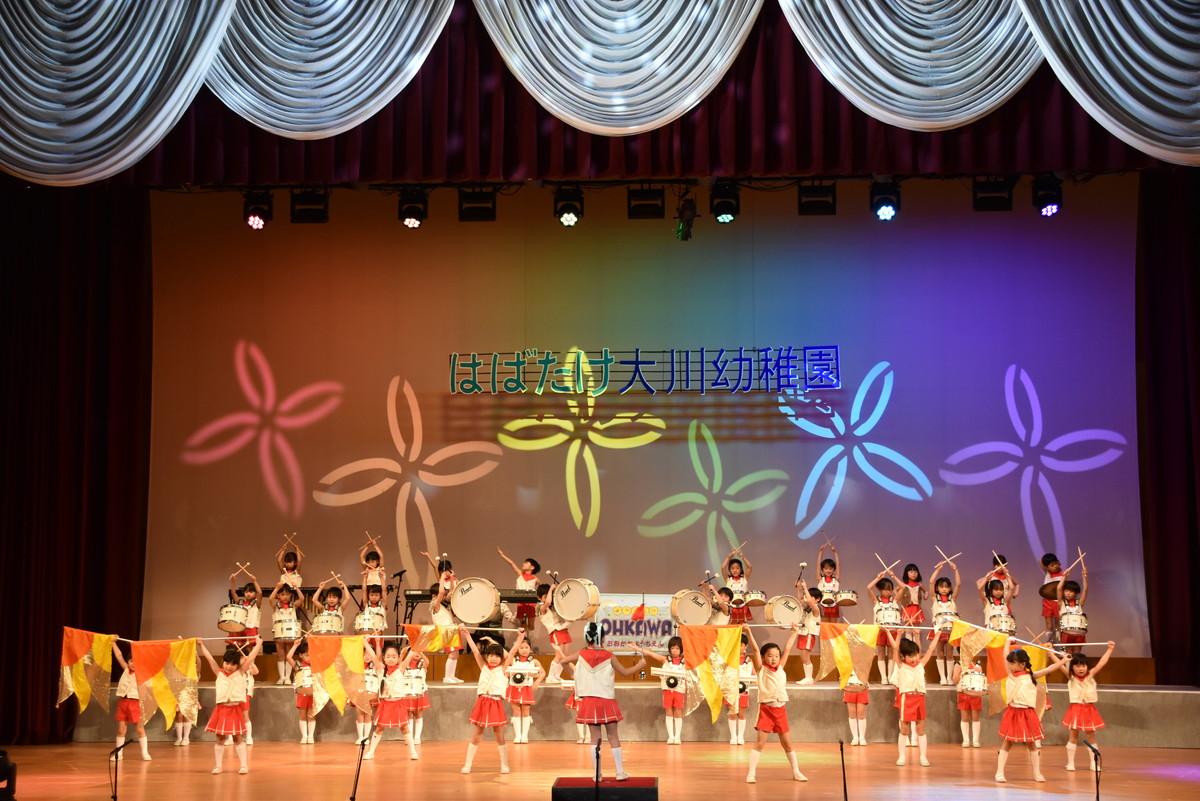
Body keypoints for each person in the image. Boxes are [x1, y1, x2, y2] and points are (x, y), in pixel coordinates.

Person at [554, 622, 647, 781]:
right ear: (602, 638)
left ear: (586, 638)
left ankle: (597, 774)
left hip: (589, 701)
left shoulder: (581, 654)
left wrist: (575, 676)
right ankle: (620, 772)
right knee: (613, 736)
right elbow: (625, 672)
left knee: (594, 738)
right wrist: (640, 665)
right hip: (606, 700)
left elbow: (562, 662)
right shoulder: (609, 655)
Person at [995, 640, 1068, 783]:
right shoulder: (1010, 675)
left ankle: (1037, 772)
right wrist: (1007, 642)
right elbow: (1004, 656)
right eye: (1010, 663)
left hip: (1028, 714)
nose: (1010, 665)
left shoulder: (1031, 675)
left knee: (1032, 744)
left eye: (1013, 663)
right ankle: (999, 772)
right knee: (1008, 742)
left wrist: (1063, 661)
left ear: (1022, 664)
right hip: (1013, 712)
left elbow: (1049, 669)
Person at [744, 624, 807, 783]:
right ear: (764, 657)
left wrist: (795, 632)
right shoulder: (761, 669)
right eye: (770, 656)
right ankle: (751, 773)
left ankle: (796, 772)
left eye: (776, 656)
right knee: (760, 743)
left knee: (787, 744)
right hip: (766, 710)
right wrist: (749, 632)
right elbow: (755, 650)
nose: (774, 659)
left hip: (780, 710)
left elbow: (787, 649)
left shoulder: (780, 667)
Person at [459, 626, 523, 774]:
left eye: (496, 656)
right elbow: (476, 652)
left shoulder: (503, 669)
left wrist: (520, 638)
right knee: (476, 736)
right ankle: (468, 764)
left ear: (501, 658)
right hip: (482, 703)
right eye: (490, 655)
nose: (493, 658)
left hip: (495, 704)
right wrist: (467, 636)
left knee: (499, 735)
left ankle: (504, 764)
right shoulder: (483, 667)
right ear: (487, 656)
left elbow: (512, 653)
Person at [198, 636, 262, 775]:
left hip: (235, 709)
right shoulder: (218, 673)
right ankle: (218, 766)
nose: (228, 666)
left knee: (237, 738)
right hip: (221, 710)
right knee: (220, 738)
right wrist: (201, 645)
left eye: (233, 664)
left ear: (238, 665)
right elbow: (210, 659)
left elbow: (250, 658)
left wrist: (258, 644)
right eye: (226, 663)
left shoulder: (240, 672)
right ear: (223, 661)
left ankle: (243, 765)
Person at [1058, 641, 1115, 771]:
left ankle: (1093, 763)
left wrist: (1110, 649)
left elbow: (1102, 663)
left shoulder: (1091, 675)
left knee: (1091, 737)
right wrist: (1050, 653)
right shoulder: (1070, 677)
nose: (1081, 669)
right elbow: (1059, 665)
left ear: (1087, 667)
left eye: (1083, 666)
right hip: (1075, 709)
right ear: (1072, 667)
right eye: (1077, 666)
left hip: (1089, 709)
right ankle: (1070, 763)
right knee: (1073, 736)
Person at [884, 628, 937, 767]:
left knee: (921, 730)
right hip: (906, 699)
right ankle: (902, 756)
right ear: (903, 656)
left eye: (915, 655)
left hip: (919, 698)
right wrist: (896, 634)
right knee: (904, 729)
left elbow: (931, 649)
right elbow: (895, 648)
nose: (914, 658)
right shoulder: (901, 665)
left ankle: (923, 757)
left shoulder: (921, 664)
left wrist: (938, 633)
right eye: (911, 656)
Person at [364, 640, 419, 760]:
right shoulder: (380, 668)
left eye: (394, 657)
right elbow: (372, 655)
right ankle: (371, 752)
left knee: (404, 727)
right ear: (384, 658)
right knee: (379, 728)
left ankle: (413, 751)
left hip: (398, 703)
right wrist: (365, 642)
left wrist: (415, 640)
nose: (391, 659)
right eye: (388, 656)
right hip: (386, 704)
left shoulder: (401, 668)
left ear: (398, 658)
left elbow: (411, 653)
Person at [632, 636, 688, 744]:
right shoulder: (665, 659)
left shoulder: (685, 661)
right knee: (668, 711)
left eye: (677, 648)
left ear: (681, 649)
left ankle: (677, 737)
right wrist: (638, 649)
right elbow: (651, 654)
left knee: (678, 711)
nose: (674, 651)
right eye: (672, 648)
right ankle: (671, 736)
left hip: (679, 690)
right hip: (667, 690)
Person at [109, 642, 152, 761]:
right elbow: (119, 656)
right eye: (131, 661)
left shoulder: (143, 674)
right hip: (124, 702)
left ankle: (145, 753)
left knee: (139, 729)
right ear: (128, 662)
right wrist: (113, 643)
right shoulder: (126, 669)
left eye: (136, 661)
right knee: (121, 730)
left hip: (136, 703)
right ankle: (119, 754)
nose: (133, 664)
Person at [505, 634, 545, 743]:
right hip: (514, 687)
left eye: (526, 647)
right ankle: (517, 736)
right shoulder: (513, 660)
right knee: (516, 711)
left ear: (530, 649)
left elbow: (542, 673)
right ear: (517, 649)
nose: (524, 650)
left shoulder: (534, 661)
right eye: (521, 647)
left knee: (526, 710)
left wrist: (537, 682)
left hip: (526, 688)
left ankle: (525, 736)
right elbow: (505, 665)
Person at [927, 560, 960, 685]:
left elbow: (958, 584)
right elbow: (931, 582)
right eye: (941, 586)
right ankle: (942, 678)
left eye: (947, 587)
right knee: (940, 653)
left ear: (950, 588)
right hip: (939, 628)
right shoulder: (935, 598)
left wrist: (955, 570)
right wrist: (938, 569)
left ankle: (950, 678)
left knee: (950, 653)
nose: (944, 589)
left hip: (951, 628)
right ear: (937, 588)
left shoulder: (953, 599)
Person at [868, 569, 902, 684]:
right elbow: (868, 588)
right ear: (879, 589)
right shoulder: (876, 601)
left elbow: (903, 588)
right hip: (881, 631)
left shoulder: (895, 600)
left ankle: (891, 677)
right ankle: (884, 678)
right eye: (886, 589)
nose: (888, 592)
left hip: (892, 631)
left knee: (892, 654)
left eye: (890, 589)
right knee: (881, 653)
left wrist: (893, 576)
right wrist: (878, 578)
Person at [497, 547, 541, 634]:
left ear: (532, 567)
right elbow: (511, 563)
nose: (523, 564)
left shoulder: (535, 579)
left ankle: (530, 641)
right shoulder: (520, 574)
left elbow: (542, 587)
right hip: (520, 602)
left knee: (531, 625)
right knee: (522, 625)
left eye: (526, 563)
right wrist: (502, 555)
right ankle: (523, 640)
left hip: (531, 603)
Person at [269, 581, 304, 684]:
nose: (285, 597)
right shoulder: (276, 605)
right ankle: (282, 677)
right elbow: (270, 599)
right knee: (281, 655)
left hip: (290, 634)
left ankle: (288, 677)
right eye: (282, 594)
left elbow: (301, 599)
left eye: (287, 594)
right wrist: (276, 588)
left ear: (291, 595)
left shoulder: (293, 605)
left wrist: (296, 587)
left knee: (289, 655)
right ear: (278, 595)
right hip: (279, 634)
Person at [430, 576, 463, 683]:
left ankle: (452, 676)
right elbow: (441, 592)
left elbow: (451, 592)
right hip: (446, 631)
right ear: (434, 596)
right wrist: (442, 578)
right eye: (443, 595)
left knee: (456, 654)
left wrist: (452, 578)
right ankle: (447, 677)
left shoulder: (444, 606)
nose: (444, 596)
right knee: (452, 654)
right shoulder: (435, 605)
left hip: (452, 630)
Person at [537, 581, 571, 685]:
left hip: (563, 629)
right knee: (559, 655)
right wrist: (551, 588)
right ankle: (550, 677)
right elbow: (547, 602)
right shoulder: (541, 607)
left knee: (565, 655)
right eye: (545, 596)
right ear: (539, 598)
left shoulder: (554, 607)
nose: (549, 598)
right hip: (555, 631)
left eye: (549, 595)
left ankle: (556, 676)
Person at [725, 633, 754, 745]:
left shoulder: (748, 660)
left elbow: (754, 675)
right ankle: (733, 736)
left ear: (745, 646)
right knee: (732, 713)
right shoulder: (728, 659)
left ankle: (741, 737)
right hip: (730, 691)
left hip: (743, 691)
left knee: (741, 713)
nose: (738, 647)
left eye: (741, 645)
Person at [286, 639, 316, 743]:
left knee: (311, 715)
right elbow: (288, 657)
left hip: (313, 694)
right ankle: (304, 736)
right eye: (307, 655)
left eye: (311, 655)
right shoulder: (298, 665)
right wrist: (295, 645)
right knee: (302, 715)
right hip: (302, 694)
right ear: (301, 655)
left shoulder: (316, 666)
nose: (309, 658)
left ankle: (311, 736)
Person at [793, 579, 823, 684]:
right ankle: (808, 678)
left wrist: (805, 587)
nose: (807, 598)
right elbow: (801, 599)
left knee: (806, 657)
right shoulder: (807, 607)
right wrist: (799, 587)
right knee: (802, 657)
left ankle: (809, 678)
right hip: (802, 633)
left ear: (818, 599)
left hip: (809, 634)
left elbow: (809, 601)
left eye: (810, 596)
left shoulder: (816, 609)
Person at [952, 657, 985, 748]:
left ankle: (975, 740)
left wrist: (979, 672)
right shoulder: (958, 664)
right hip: (963, 693)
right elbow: (955, 680)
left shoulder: (977, 665)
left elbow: (981, 679)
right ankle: (966, 740)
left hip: (975, 694)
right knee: (964, 717)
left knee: (975, 717)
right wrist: (958, 672)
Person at [1056, 568, 1090, 654]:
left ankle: (1076, 663)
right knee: (1068, 653)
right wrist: (1064, 577)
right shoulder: (1061, 603)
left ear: (1076, 593)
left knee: (1077, 652)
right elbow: (1059, 589)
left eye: (1071, 591)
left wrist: (1084, 577)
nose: (1068, 593)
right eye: (1066, 591)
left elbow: (1085, 590)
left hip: (1078, 631)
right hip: (1066, 632)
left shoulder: (1079, 603)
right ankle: (1068, 663)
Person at [227, 571, 262, 654]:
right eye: (246, 592)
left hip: (251, 629)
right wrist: (233, 581)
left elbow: (260, 593)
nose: (248, 594)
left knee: (248, 652)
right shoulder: (240, 602)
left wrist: (254, 581)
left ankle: (249, 663)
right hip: (240, 629)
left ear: (255, 593)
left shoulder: (256, 604)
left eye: (251, 592)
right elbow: (233, 593)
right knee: (238, 652)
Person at [404, 649, 431, 744]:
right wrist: (404, 654)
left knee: (419, 713)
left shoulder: (423, 664)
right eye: (415, 651)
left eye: (419, 652)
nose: (417, 653)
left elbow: (427, 662)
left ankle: (417, 737)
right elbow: (400, 663)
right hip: (409, 693)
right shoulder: (406, 664)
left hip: (420, 692)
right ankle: (410, 736)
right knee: (409, 714)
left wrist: (422, 654)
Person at [722, 548, 754, 623]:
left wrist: (742, 557)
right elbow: (723, 568)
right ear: (729, 570)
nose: (735, 570)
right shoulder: (728, 579)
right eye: (732, 568)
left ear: (741, 569)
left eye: (737, 568)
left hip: (743, 605)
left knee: (743, 625)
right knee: (733, 625)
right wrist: (728, 558)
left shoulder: (744, 578)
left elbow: (749, 567)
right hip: (731, 606)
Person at [1039, 553, 1065, 642]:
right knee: (1049, 624)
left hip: (1058, 602)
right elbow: (1040, 561)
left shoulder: (1062, 574)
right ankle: (1049, 644)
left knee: (1058, 624)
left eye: (1056, 563)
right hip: (1047, 601)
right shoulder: (1047, 573)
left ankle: (1059, 644)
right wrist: (1048, 566)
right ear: (1047, 567)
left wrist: (1057, 564)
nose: (1056, 566)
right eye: (1052, 565)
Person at [843, 668, 870, 746]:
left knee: (861, 713)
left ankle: (862, 737)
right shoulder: (846, 663)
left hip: (862, 687)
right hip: (849, 687)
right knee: (852, 713)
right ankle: (855, 737)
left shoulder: (863, 663)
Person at [816, 543, 841, 623]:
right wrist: (821, 552)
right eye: (826, 568)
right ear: (822, 569)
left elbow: (838, 565)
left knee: (833, 627)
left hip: (834, 606)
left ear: (834, 569)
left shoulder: (836, 579)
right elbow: (818, 565)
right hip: (823, 605)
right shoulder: (820, 579)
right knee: (824, 627)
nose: (828, 570)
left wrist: (835, 552)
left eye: (831, 568)